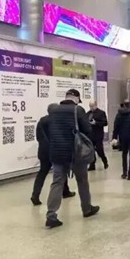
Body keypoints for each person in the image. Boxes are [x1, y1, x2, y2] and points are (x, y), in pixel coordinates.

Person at [46, 89, 99, 228]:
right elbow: (87, 130)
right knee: (82, 181)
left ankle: (51, 215)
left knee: (57, 182)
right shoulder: (78, 110)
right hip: (75, 152)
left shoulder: (54, 110)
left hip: (57, 152)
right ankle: (87, 209)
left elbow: (49, 130)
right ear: (76, 98)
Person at [30, 104, 75, 206]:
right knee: (62, 171)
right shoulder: (57, 122)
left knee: (42, 173)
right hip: (55, 150)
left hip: (43, 151)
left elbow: (38, 137)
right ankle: (65, 191)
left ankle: (35, 195)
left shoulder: (41, 121)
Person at [88, 101, 109, 171]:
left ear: (95, 105)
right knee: (91, 150)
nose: (91, 107)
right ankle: (92, 165)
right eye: (90, 106)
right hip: (90, 135)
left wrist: (96, 123)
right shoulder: (88, 113)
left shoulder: (101, 113)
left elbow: (105, 123)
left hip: (98, 134)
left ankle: (104, 161)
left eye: (92, 106)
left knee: (99, 149)